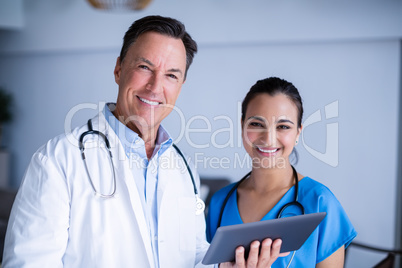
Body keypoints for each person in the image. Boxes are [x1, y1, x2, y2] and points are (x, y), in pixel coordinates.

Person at [3, 16, 282, 268]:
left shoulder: (184, 170)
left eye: (171, 75)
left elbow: (195, 254)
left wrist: (226, 267)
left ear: (180, 85)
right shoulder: (57, 161)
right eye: (145, 67)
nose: (155, 86)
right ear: (118, 69)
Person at [207, 77, 357, 267]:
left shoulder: (320, 202)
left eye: (283, 127)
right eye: (256, 124)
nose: (269, 139)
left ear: (298, 134)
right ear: (242, 125)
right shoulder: (220, 202)